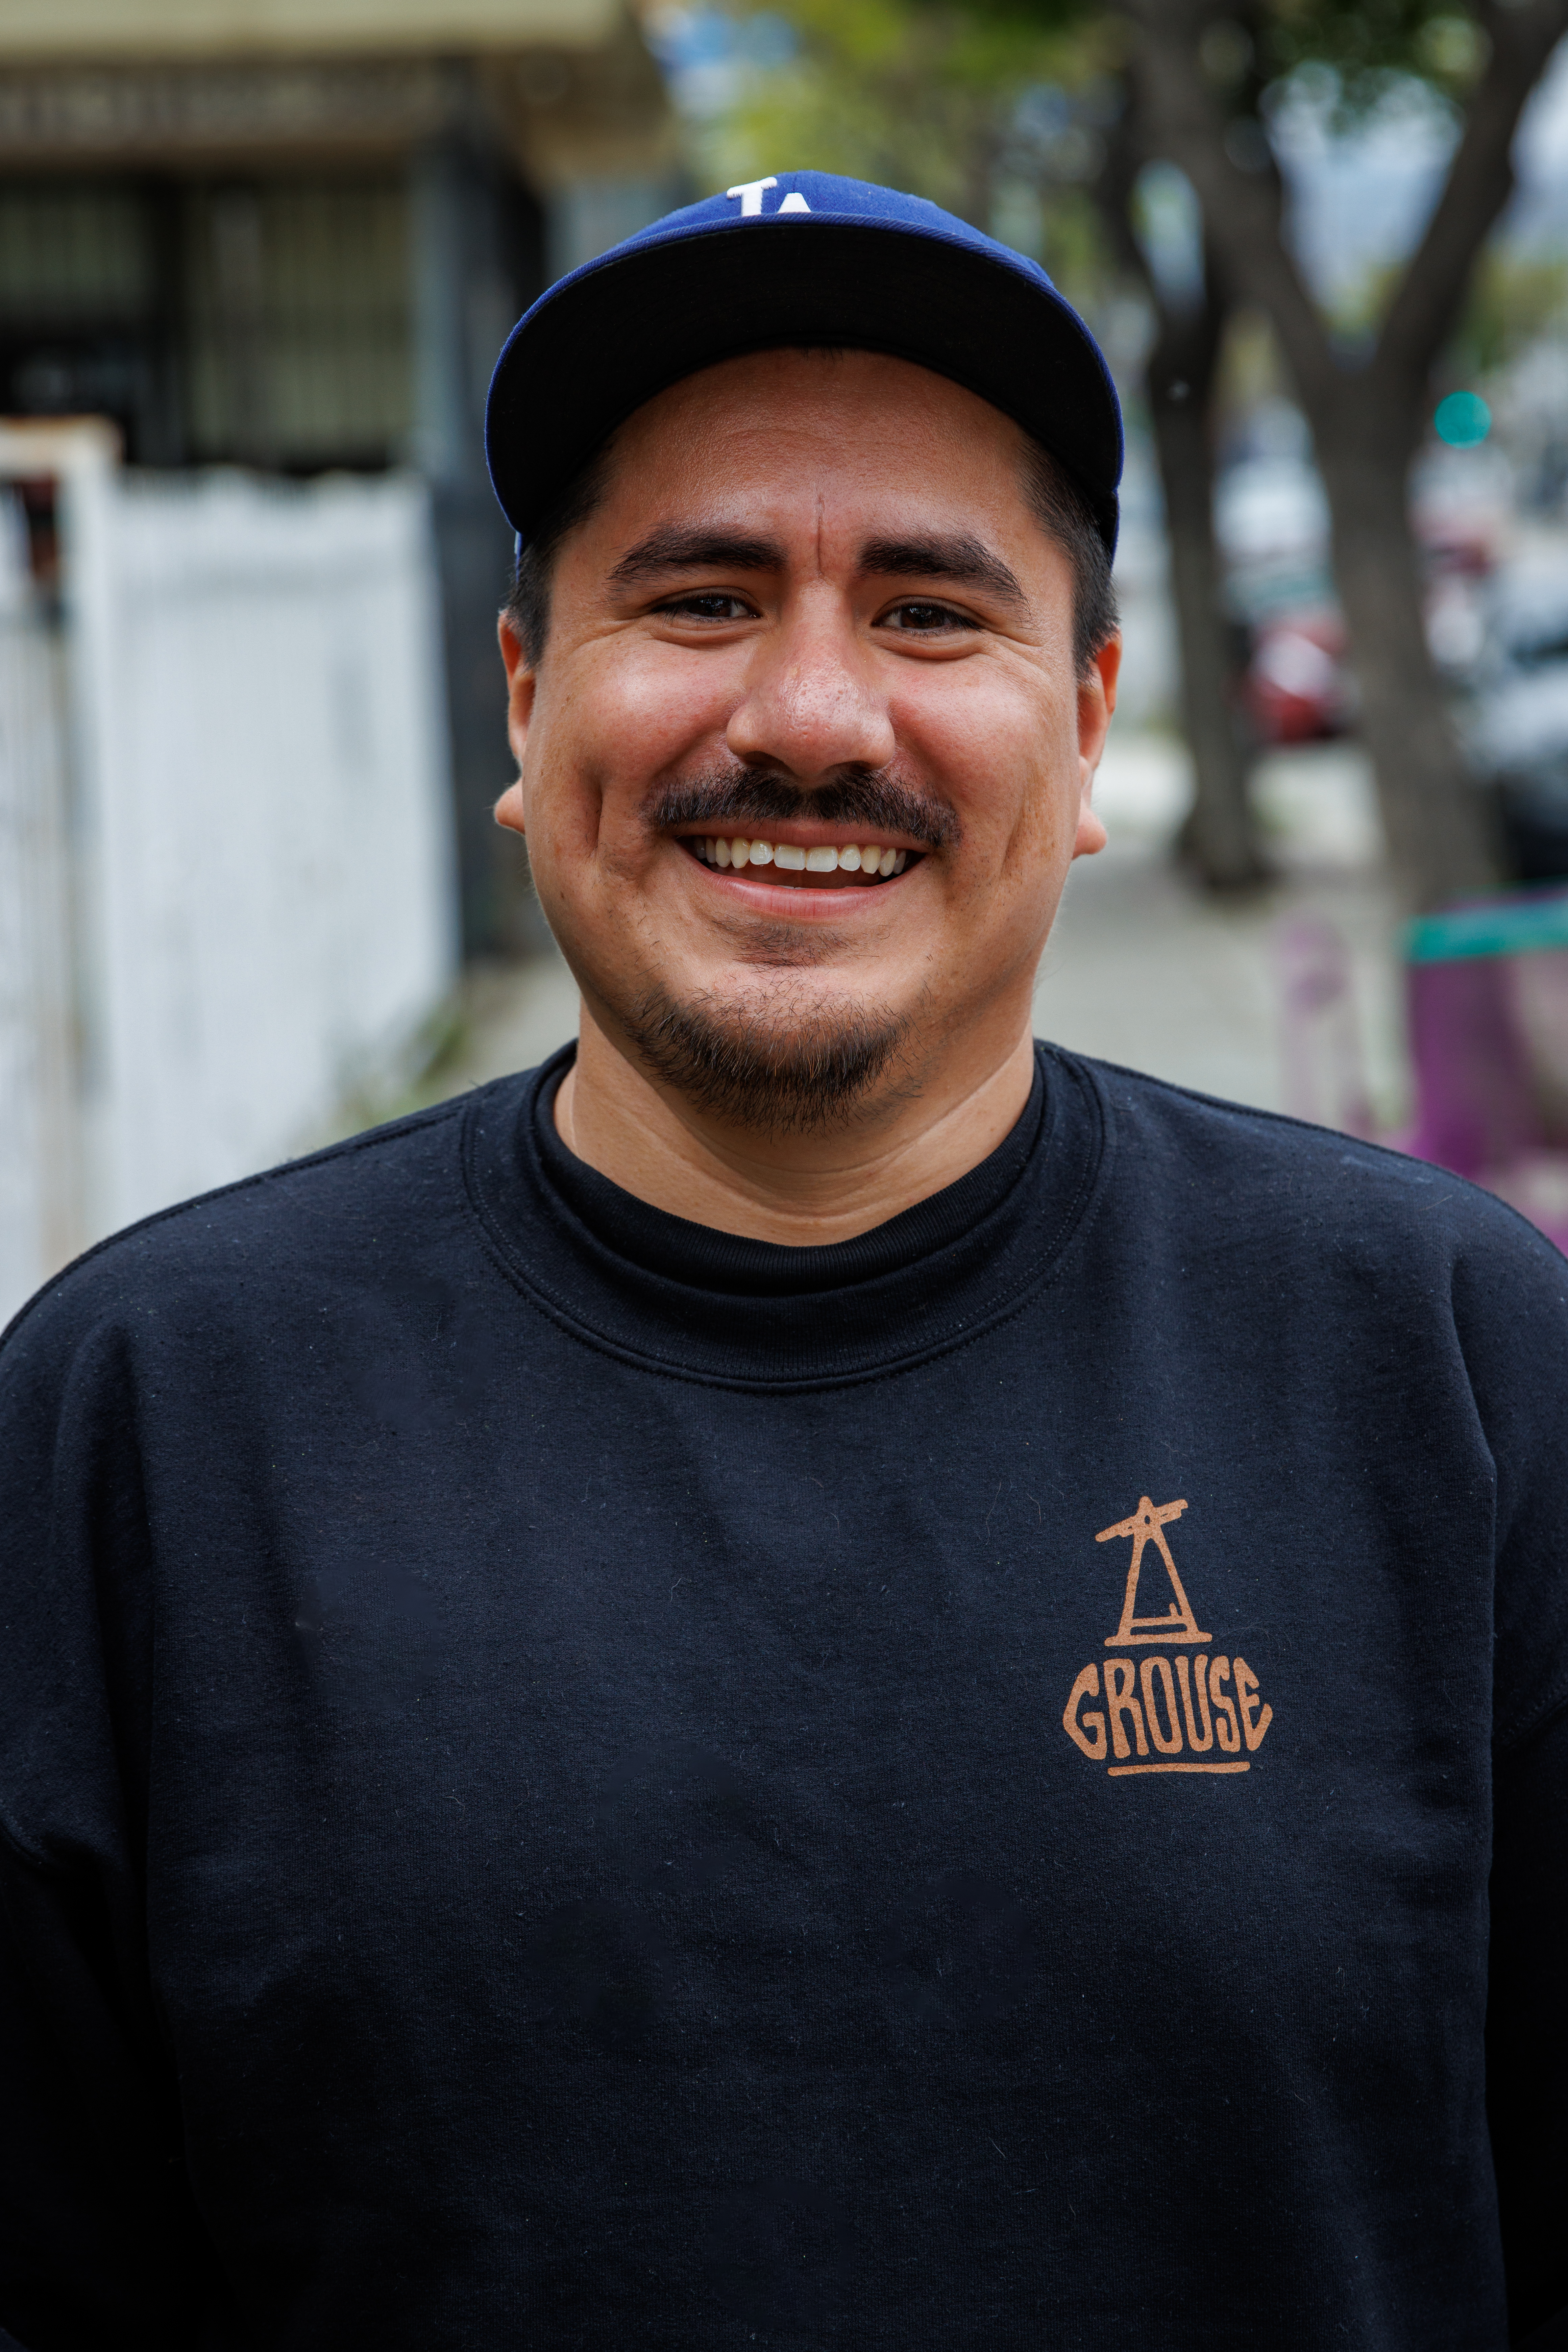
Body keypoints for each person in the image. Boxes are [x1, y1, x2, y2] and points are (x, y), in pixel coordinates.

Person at [0, 172, 1563, 2352]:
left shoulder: (1459, 1370)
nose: (816, 713)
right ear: (526, 710)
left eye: (931, 612)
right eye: (705, 599)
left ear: (1092, 721)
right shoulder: (140, 1427)